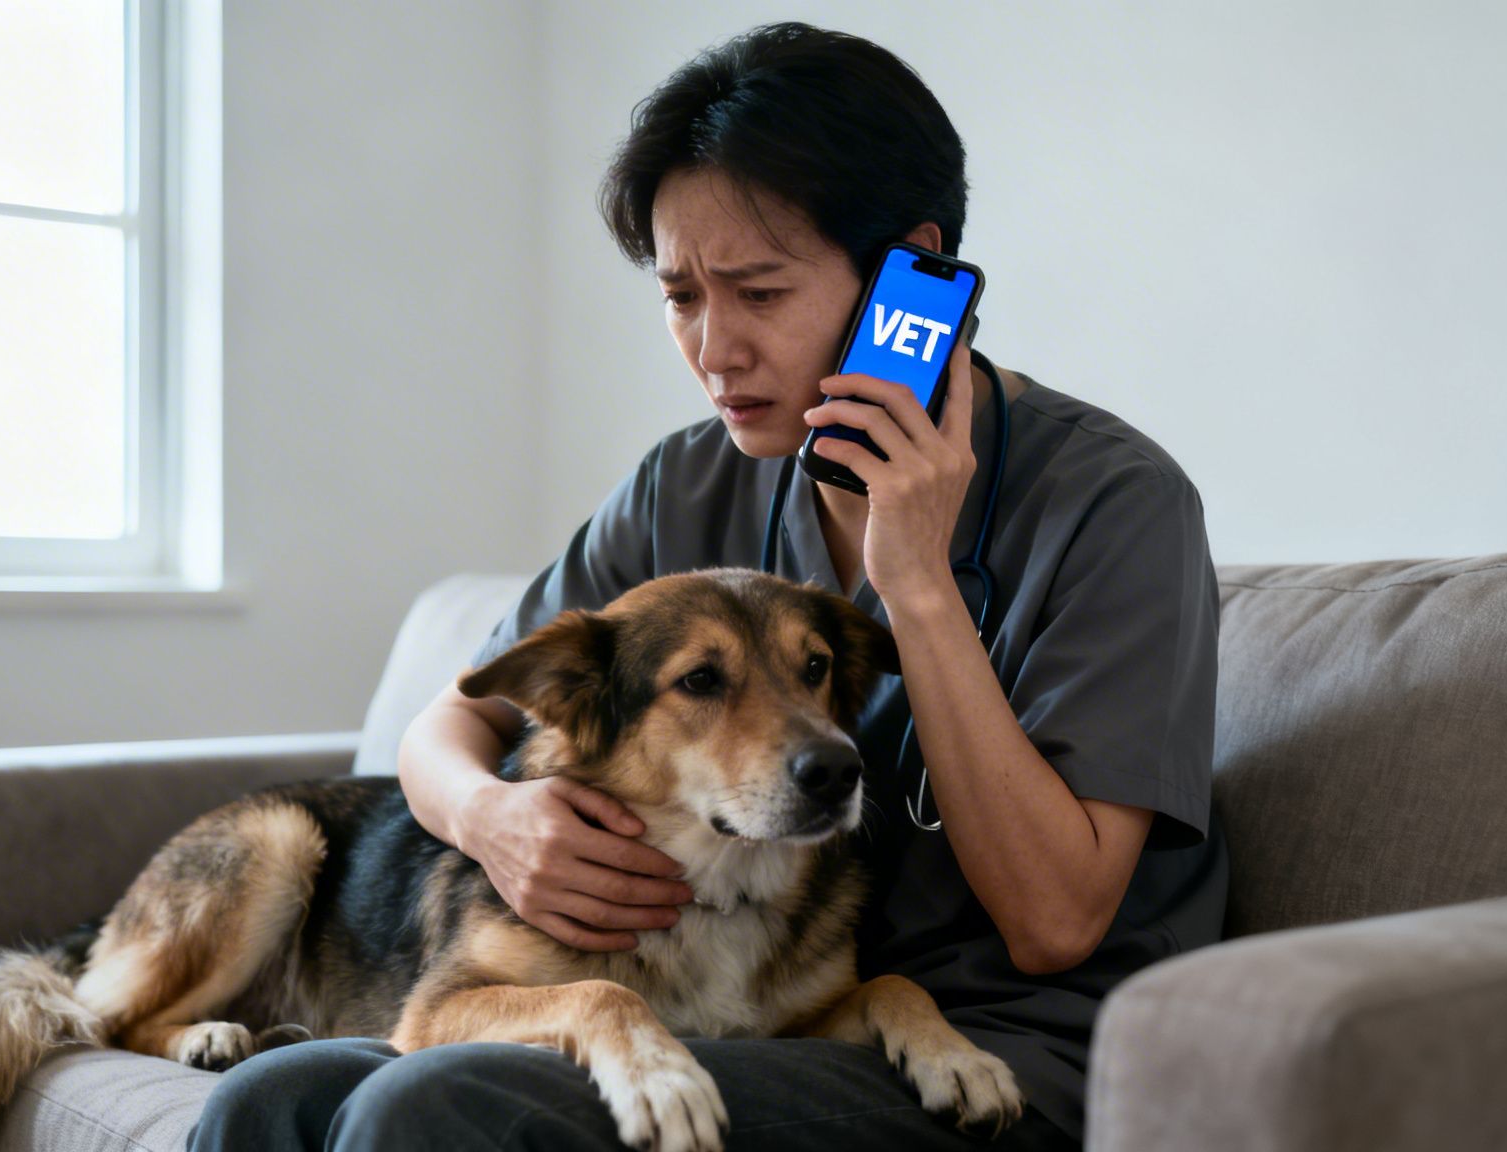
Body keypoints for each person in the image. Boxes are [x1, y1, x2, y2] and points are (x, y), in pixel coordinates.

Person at [190, 21, 1225, 1152]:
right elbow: (449, 725)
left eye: (759, 293)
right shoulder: (691, 480)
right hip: (762, 1020)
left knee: (431, 1106)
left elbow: (1054, 923)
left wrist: (917, 586)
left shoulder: (1115, 506)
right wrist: (494, 820)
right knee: (271, 1097)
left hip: (1001, 1055)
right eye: (681, 295)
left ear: (909, 276)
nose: (714, 349)